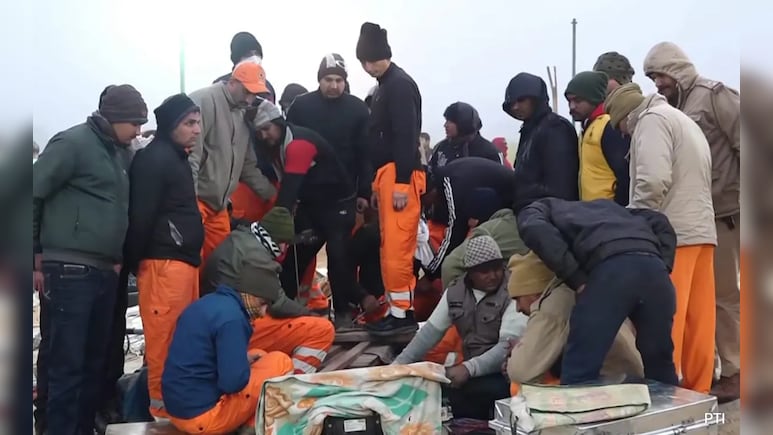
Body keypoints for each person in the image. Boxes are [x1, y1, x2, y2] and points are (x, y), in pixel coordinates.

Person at [33, 84, 148, 435]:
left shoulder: (120, 153)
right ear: (115, 118)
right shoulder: (72, 144)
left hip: (104, 270)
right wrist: (35, 255)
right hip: (68, 268)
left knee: (92, 363)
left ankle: (82, 428)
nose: (139, 131)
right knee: (67, 363)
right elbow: (31, 194)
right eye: (135, 123)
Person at [644, 42, 741, 401]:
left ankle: (736, 371)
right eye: (653, 78)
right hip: (701, 216)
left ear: (676, 69)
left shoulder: (715, 96)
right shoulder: (674, 109)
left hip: (729, 214)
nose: (657, 83)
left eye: (660, 75)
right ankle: (714, 369)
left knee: (726, 298)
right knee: (705, 301)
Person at [605, 83, 717, 393]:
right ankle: (698, 389)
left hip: (674, 235)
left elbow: (653, 180)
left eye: (621, 129)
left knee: (668, 316)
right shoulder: (680, 119)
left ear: (625, 117)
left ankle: (668, 392)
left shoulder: (650, 122)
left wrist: (636, 223)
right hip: (701, 231)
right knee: (699, 318)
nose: (624, 135)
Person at [517, 198, 679, 386]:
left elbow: (535, 229)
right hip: (654, 271)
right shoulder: (617, 211)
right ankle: (672, 404)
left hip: (610, 270)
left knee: (580, 367)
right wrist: (663, 265)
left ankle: (577, 404)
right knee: (660, 362)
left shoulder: (538, 209)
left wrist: (576, 278)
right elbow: (659, 220)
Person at [254, 100, 377, 325]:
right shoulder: (274, 145)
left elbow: (288, 192)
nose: (263, 135)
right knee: (295, 259)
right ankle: (280, 309)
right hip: (313, 205)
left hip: (338, 204)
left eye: (267, 129)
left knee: (337, 256)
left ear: (279, 123)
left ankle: (343, 314)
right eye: (259, 131)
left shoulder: (298, 144)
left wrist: (271, 233)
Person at [123, 94, 205, 419]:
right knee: (163, 343)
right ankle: (161, 415)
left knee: (182, 341)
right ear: (171, 125)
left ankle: (179, 409)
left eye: (198, 123)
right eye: (189, 123)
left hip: (181, 264)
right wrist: (135, 260)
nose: (196, 130)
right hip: (162, 266)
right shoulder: (154, 160)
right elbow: (141, 217)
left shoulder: (176, 157)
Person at [394, 235, 522, 420]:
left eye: (497, 268)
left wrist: (468, 368)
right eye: (484, 271)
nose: (493, 276)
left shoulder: (513, 290)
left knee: (467, 392)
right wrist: (396, 368)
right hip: (471, 371)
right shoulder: (455, 293)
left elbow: (506, 348)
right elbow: (429, 334)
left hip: (504, 374)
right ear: (470, 272)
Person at [201, 205, 335, 374]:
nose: (285, 249)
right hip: (237, 329)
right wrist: (307, 313)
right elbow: (278, 304)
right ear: (279, 241)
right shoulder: (258, 260)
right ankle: (292, 379)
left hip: (220, 323)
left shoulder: (239, 238)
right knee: (322, 330)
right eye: (285, 244)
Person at [162, 265, 294, 434]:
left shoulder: (207, 304)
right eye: (263, 304)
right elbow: (232, 384)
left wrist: (242, 361)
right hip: (203, 418)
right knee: (280, 362)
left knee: (260, 355)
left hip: (177, 411)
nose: (263, 313)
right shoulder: (232, 320)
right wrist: (241, 368)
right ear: (250, 294)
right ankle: (253, 427)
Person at [356, 22, 426, 335]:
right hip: (388, 175)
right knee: (389, 248)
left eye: (370, 61)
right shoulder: (385, 86)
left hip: (401, 175)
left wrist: (400, 182)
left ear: (382, 56)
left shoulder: (399, 85)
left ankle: (402, 317)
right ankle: (397, 311)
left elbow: (406, 135)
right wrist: (377, 184)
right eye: (364, 62)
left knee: (398, 248)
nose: (367, 67)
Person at [506, 251, 643, 394]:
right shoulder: (577, 293)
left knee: (519, 388)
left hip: (610, 387)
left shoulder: (554, 306)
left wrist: (516, 353)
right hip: (624, 380)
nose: (518, 308)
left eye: (518, 299)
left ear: (534, 292)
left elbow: (522, 372)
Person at [189, 61, 276, 264]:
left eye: (254, 94)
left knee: (219, 266)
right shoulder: (204, 101)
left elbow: (247, 166)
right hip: (197, 202)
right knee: (193, 263)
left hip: (219, 207)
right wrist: (188, 205)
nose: (249, 98)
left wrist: (273, 196)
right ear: (232, 83)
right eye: (246, 91)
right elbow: (191, 158)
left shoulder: (244, 112)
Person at [422, 158, 514, 282]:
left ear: (431, 191)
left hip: (514, 210)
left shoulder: (451, 184)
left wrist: (431, 276)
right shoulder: (448, 175)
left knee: (452, 265)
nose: (420, 204)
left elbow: (456, 234)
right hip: (503, 205)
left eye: (420, 199)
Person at [502, 72, 579, 212]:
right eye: (512, 103)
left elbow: (561, 187)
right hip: (530, 211)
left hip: (549, 214)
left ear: (535, 99)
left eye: (521, 100)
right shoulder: (529, 130)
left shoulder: (555, 128)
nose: (515, 107)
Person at [565, 71, 630, 205]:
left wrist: (618, 210)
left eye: (578, 100)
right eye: (569, 101)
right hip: (592, 211)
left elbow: (624, 175)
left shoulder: (609, 126)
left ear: (593, 99)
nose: (572, 106)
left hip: (609, 212)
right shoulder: (587, 128)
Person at [427, 102, 502, 182]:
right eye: (446, 121)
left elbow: (499, 182)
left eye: (450, 121)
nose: (445, 125)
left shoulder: (488, 152)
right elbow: (430, 176)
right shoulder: (441, 148)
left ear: (463, 123)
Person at [213, 31, 277, 103]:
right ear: (237, 58)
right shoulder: (220, 85)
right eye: (248, 54)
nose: (254, 58)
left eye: (257, 54)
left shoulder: (267, 87)